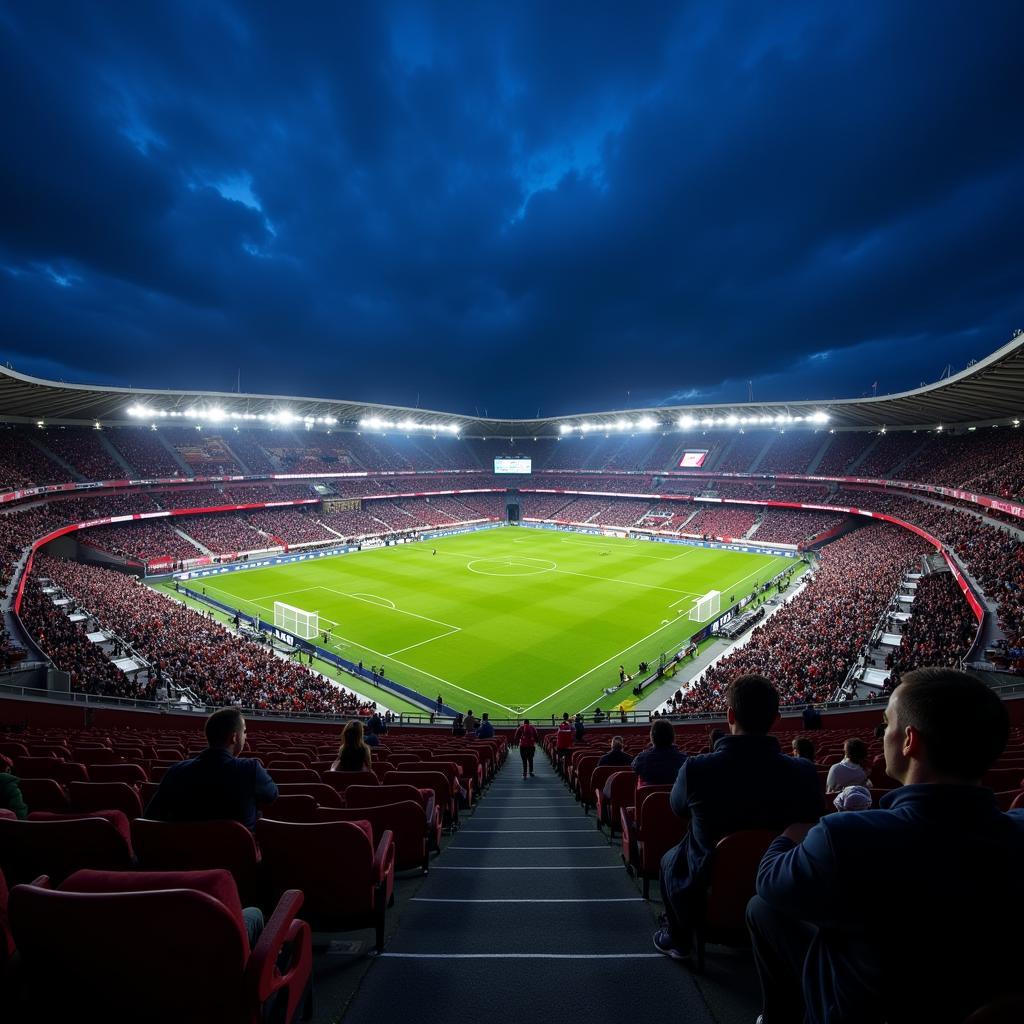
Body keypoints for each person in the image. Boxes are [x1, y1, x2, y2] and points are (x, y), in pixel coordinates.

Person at [747, 667, 1024, 1024]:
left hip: (869, 1006)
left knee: (761, 907)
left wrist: (792, 831)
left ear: (910, 740)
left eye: (887, 722)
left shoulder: (846, 836)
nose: (882, 733)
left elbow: (769, 880)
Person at [654, 675, 822, 962]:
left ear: (730, 715)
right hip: (778, 890)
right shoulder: (804, 772)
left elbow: (677, 809)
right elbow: (812, 824)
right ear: (777, 719)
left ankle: (679, 937)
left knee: (670, 858)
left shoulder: (696, 769)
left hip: (707, 883)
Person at [144, 708, 278, 831]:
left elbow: (151, 818)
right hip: (237, 856)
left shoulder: (175, 772)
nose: (246, 736)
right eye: (244, 732)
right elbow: (272, 795)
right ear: (234, 737)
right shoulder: (251, 769)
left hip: (187, 855)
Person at [632, 719, 687, 785]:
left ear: (652, 736)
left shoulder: (642, 759)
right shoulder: (684, 760)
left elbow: (634, 767)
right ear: (672, 736)